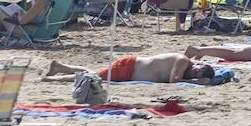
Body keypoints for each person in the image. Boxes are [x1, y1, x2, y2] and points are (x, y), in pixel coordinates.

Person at [44, 53, 215, 84]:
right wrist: (198, 82)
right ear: (198, 64)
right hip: (129, 67)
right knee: (94, 78)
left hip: (130, 71)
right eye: (197, 69)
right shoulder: (183, 60)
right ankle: (56, 77)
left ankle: (60, 67)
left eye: (196, 74)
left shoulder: (186, 67)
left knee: (95, 74)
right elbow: (174, 81)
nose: (194, 72)